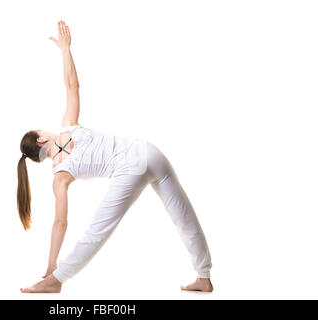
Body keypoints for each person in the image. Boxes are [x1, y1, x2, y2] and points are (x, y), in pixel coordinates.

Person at [18, 21, 213, 293]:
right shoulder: (68, 125)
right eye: (41, 129)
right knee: (182, 214)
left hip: (131, 167)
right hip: (148, 150)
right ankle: (203, 274)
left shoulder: (59, 177)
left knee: (98, 230)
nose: (44, 129)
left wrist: (51, 264)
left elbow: (60, 223)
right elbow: (72, 86)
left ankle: (55, 280)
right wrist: (65, 50)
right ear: (41, 138)